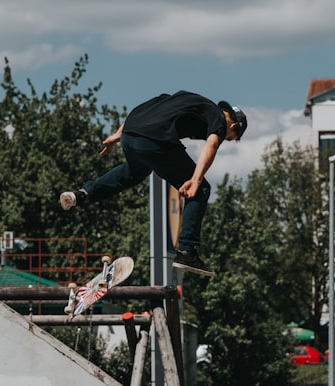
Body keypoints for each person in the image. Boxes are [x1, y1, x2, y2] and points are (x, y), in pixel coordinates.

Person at [59, 91, 248, 277]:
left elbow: (146, 111)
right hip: (155, 140)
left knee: (134, 171)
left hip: (131, 134)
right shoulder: (218, 118)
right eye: (230, 137)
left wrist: (117, 135)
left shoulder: (186, 99)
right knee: (201, 190)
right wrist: (196, 180)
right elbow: (212, 145)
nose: (226, 139)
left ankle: (82, 194)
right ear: (233, 124)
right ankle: (187, 252)